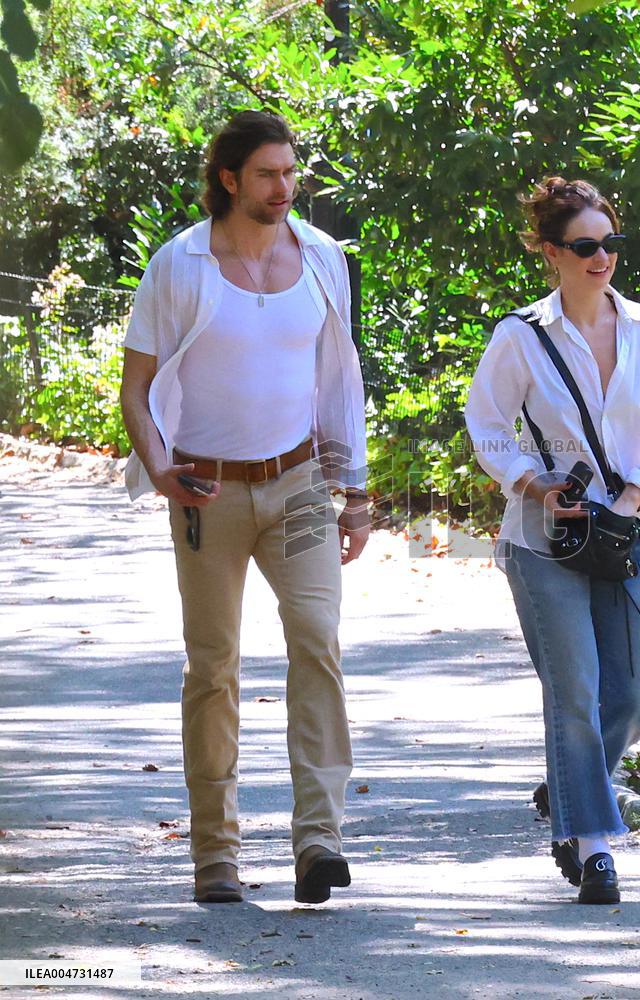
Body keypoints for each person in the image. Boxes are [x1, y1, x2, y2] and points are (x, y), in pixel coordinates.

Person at [119, 110, 369, 905]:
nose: (284, 188)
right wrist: (160, 470)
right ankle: (215, 857)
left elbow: (338, 380)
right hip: (206, 487)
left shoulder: (323, 258)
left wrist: (354, 490)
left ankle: (319, 841)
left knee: (317, 644)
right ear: (229, 179)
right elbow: (135, 386)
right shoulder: (181, 264)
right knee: (213, 669)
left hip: (297, 482)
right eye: (268, 174)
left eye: (291, 173)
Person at [464, 177, 640, 903]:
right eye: (586, 247)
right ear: (551, 253)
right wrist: (534, 486)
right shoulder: (519, 337)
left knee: (629, 699)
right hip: (543, 541)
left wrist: (629, 498)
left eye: (610, 244)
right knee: (574, 692)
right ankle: (592, 848)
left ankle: (568, 784)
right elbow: (487, 425)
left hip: (627, 531)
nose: (602, 258)